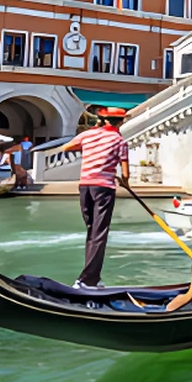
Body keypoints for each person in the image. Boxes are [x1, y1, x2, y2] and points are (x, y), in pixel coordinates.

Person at [61, 107, 130, 289]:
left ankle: (92, 278)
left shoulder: (88, 135)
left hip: (85, 186)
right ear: (121, 122)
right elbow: (125, 173)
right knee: (99, 234)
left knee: (92, 231)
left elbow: (67, 147)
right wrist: (125, 182)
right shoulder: (119, 140)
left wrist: (90, 148)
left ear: (102, 120)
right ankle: (87, 280)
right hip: (104, 188)